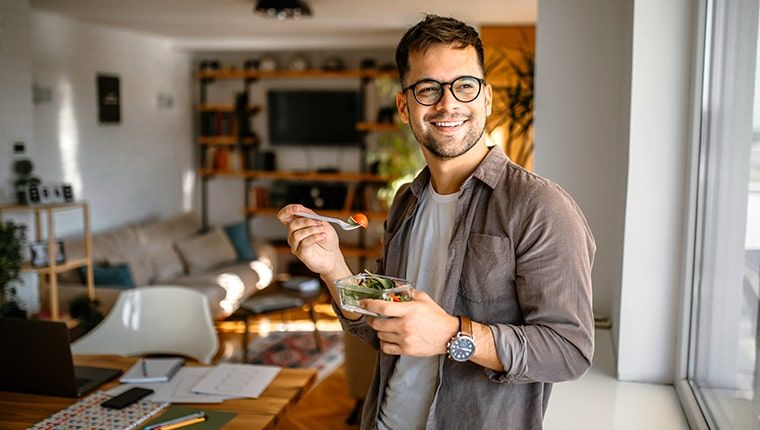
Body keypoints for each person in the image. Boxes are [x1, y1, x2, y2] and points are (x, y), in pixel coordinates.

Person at [278, 14, 596, 430]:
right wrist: (333, 266)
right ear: (404, 106)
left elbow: (568, 351)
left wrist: (451, 334)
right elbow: (384, 331)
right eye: (428, 89)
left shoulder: (540, 207)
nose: (448, 104)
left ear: (486, 98)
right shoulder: (406, 202)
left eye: (464, 86)